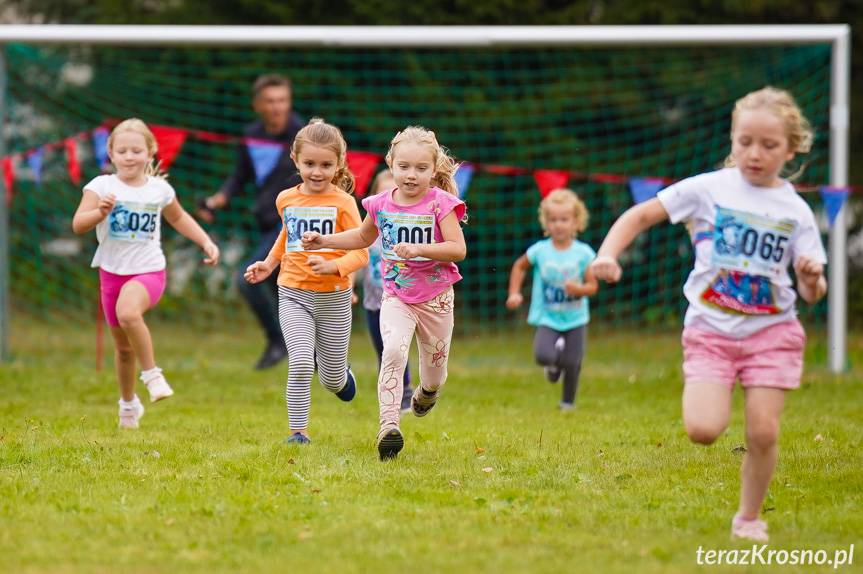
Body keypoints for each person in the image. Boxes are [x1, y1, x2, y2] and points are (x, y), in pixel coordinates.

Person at [589, 87, 827, 542]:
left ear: (791, 149)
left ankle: (749, 518)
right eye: (744, 142)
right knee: (702, 430)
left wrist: (812, 277)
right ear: (733, 139)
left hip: (773, 333)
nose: (754, 154)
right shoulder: (707, 189)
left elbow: (815, 293)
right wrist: (607, 254)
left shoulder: (796, 211)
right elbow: (639, 216)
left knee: (761, 432)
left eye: (769, 145)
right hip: (710, 332)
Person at [302, 126, 467, 461]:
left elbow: (457, 249)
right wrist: (326, 241)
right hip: (396, 297)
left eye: (421, 168)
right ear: (391, 164)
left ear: (433, 169)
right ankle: (389, 426)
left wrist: (421, 249)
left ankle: (426, 392)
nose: (411, 175)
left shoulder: (441, 204)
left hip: (436, 298)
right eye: (403, 167)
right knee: (392, 350)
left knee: (434, 374)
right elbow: (362, 237)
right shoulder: (379, 204)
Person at [72, 118, 220, 429]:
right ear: (110, 153)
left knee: (128, 314)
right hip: (111, 274)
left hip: (149, 271)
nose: (129, 156)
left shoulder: (159, 190)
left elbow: (179, 219)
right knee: (123, 349)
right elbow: (78, 224)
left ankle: (153, 375)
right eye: (122, 150)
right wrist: (100, 212)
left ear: (150, 152)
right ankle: (128, 405)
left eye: (136, 150)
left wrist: (205, 241)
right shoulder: (101, 187)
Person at [244, 118, 369, 445]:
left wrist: (334, 267)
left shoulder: (343, 203)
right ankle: (298, 433)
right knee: (300, 360)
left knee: (329, 377)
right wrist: (269, 264)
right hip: (294, 293)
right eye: (309, 163)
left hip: (334, 299)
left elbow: (361, 252)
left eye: (326, 165)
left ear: (339, 163)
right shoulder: (286, 199)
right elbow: (287, 236)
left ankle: (340, 378)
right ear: (295, 160)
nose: (317, 171)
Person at [199, 74, 304, 370]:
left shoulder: (304, 135)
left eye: (282, 100)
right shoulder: (251, 135)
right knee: (279, 289)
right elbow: (240, 177)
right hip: (266, 222)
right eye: (270, 101)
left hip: (296, 223)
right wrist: (215, 201)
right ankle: (297, 348)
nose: (277, 107)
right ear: (258, 104)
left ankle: (281, 342)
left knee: (248, 281)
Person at [506, 188, 597, 411]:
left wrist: (579, 289)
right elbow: (519, 266)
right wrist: (514, 293)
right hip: (547, 316)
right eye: (553, 220)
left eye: (564, 219)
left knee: (573, 363)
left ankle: (567, 403)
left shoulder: (584, 254)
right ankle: (553, 366)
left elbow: (593, 287)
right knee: (543, 355)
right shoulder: (540, 250)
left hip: (576, 318)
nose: (559, 224)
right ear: (546, 223)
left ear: (576, 222)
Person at [357, 169, 414, 413]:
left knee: (396, 347)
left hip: (401, 302)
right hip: (373, 304)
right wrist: (348, 286)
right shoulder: (368, 234)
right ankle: (392, 392)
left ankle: (406, 390)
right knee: (383, 350)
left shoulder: (404, 232)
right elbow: (356, 261)